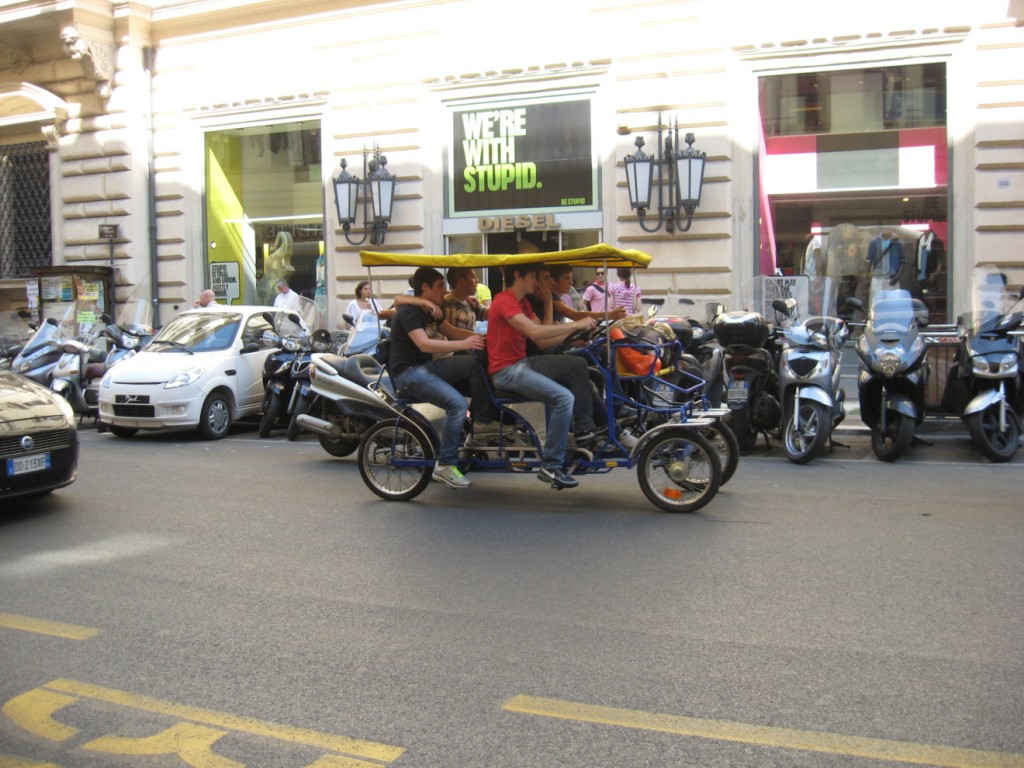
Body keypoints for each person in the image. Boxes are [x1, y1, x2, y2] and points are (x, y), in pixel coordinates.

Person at [486, 261, 599, 490]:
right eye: (532, 277)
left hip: (523, 363)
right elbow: (536, 331)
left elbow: (542, 341)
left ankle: (586, 431)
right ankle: (551, 464)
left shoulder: (523, 302)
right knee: (563, 398)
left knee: (578, 365)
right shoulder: (504, 301)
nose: (536, 282)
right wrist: (574, 324)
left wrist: (577, 329)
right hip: (506, 371)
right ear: (518, 275)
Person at [390, 266, 486, 489]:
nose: (445, 290)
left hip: (428, 367)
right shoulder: (409, 313)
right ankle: (445, 465)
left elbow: (453, 332)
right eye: (441, 285)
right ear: (425, 287)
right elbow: (424, 344)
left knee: (476, 364)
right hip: (409, 374)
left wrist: (483, 338)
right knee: (457, 404)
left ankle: (483, 423)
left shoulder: (430, 310)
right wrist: (465, 344)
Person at [549, 265, 627, 323]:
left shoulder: (612, 286)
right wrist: (610, 315)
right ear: (553, 281)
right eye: (566, 278)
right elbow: (575, 315)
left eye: (602, 273)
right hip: (602, 321)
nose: (571, 282)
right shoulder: (552, 299)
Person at [442, 267, 487, 338]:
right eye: (473, 277)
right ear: (461, 282)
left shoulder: (471, 303)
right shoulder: (444, 305)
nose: (477, 280)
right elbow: (454, 333)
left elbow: (492, 313)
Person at [866, 228, 905, 304]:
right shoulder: (874, 242)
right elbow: (869, 261)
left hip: (892, 279)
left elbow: (903, 261)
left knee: (894, 306)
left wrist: (897, 276)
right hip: (877, 279)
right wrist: (867, 277)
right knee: (875, 305)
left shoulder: (898, 242)